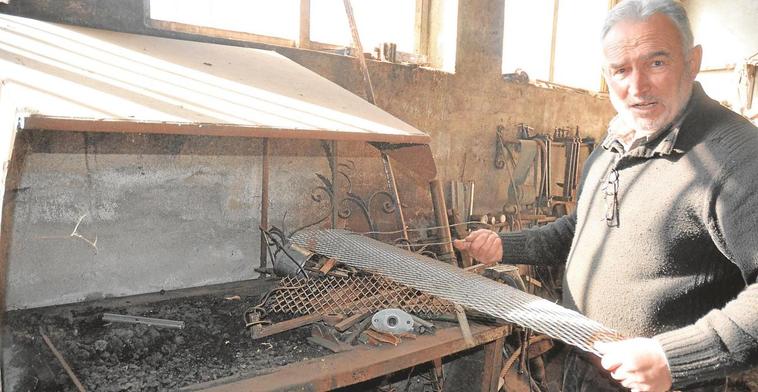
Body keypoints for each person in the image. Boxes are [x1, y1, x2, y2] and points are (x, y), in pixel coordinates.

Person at [454, 0, 758, 391]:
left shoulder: (736, 156)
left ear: (692, 60)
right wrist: (504, 246)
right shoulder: (618, 139)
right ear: (606, 75)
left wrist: (675, 358)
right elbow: (581, 227)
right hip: (579, 363)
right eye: (621, 70)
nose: (637, 86)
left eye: (657, 63)